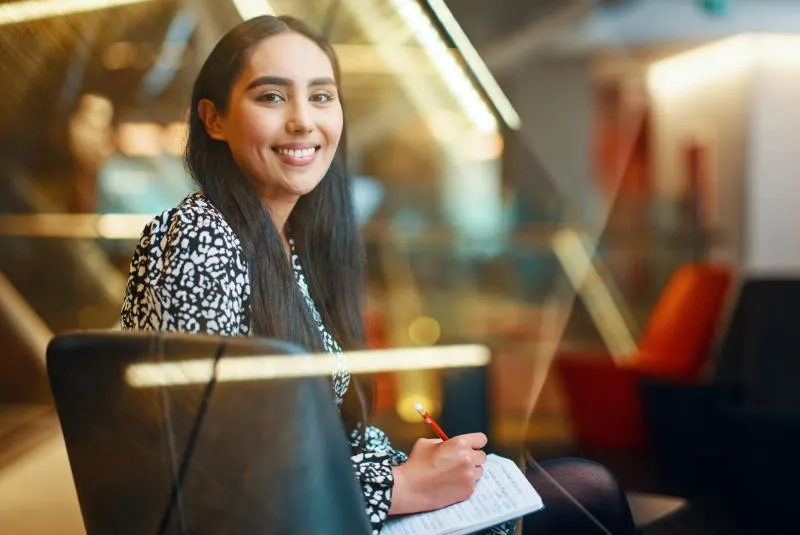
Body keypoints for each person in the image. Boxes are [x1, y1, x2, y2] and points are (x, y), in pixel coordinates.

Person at [120, 15, 637, 535]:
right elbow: (213, 452)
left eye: (321, 97)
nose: (303, 121)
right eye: (272, 98)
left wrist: (420, 466)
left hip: (328, 509)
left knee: (580, 489)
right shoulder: (197, 233)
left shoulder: (283, 244)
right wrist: (401, 486)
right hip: (286, 520)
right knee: (587, 492)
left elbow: (336, 434)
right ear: (213, 119)